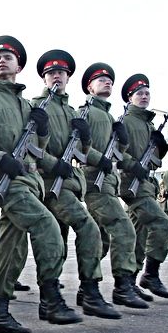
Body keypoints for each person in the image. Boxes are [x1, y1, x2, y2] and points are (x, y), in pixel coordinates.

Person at [0, 36, 78, 333]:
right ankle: (49, 299)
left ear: (18, 66)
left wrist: (43, 130)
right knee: (47, 225)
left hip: (28, 180)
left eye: (8, 57)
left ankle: (0, 312)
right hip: (4, 182)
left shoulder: (24, 104)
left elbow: (35, 148)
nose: (2, 61)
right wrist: (1, 159)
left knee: (11, 248)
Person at [27, 50, 120, 319]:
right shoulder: (36, 106)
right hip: (49, 182)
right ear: (44, 78)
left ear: (68, 77)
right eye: (51, 73)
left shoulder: (70, 111)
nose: (56, 76)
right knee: (88, 229)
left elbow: (80, 151)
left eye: (61, 72)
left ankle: (55, 297)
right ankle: (86, 293)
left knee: (59, 241)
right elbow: (29, 146)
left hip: (70, 183)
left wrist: (87, 140)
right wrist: (52, 163)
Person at [79, 64, 149, 309]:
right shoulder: (86, 113)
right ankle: (122, 286)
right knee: (123, 228)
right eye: (100, 79)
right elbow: (79, 148)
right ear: (89, 86)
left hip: (108, 182)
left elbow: (116, 156)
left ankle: (86, 288)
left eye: (109, 79)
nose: (107, 82)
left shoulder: (108, 116)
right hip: (93, 182)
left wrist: (122, 142)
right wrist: (102, 159)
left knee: (101, 240)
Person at [117, 74, 168, 300]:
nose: (144, 96)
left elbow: (154, 159)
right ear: (130, 97)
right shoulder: (125, 122)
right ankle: (151, 274)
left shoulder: (147, 123)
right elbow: (116, 152)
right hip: (132, 184)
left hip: (146, 183)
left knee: (138, 234)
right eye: (139, 93)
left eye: (147, 93)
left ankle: (130, 282)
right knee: (161, 223)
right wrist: (133, 165)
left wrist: (161, 146)